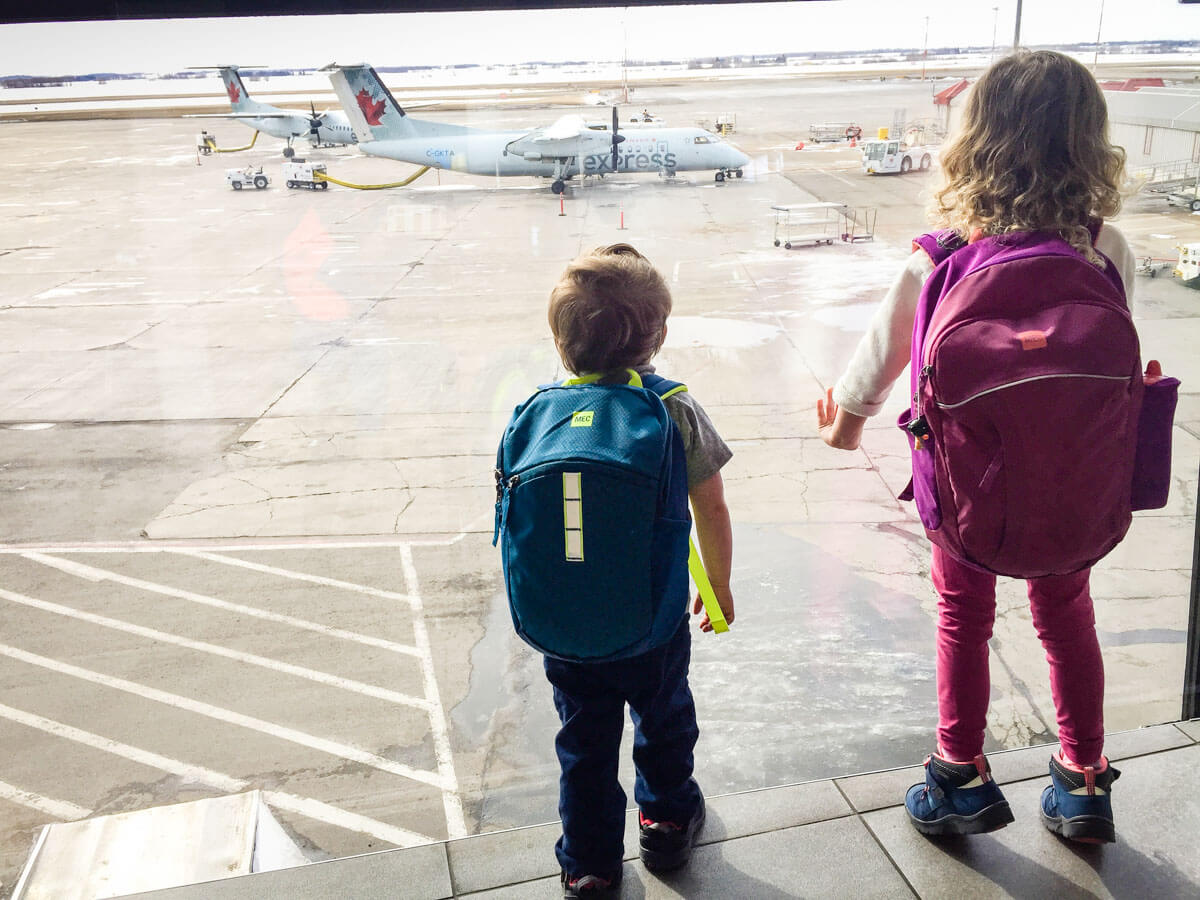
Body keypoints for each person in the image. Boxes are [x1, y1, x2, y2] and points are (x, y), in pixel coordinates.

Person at [816, 50, 1135, 844]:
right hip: (1073, 488)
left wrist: (842, 423)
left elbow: (871, 375)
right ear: (1086, 142)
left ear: (977, 138)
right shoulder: (1105, 249)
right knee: (1067, 616)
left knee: (964, 613)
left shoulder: (939, 257)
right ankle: (1083, 780)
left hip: (969, 490)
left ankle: (960, 774)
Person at [544, 243, 735, 896]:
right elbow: (711, 505)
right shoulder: (672, 407)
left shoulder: (541, 413)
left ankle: (590, 862)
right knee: (664, 721)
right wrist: (718, 586)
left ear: (562, 341)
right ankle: (665, 822)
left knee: (584, 743)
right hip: (652, 622)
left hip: (565, 625)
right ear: (655, 336)